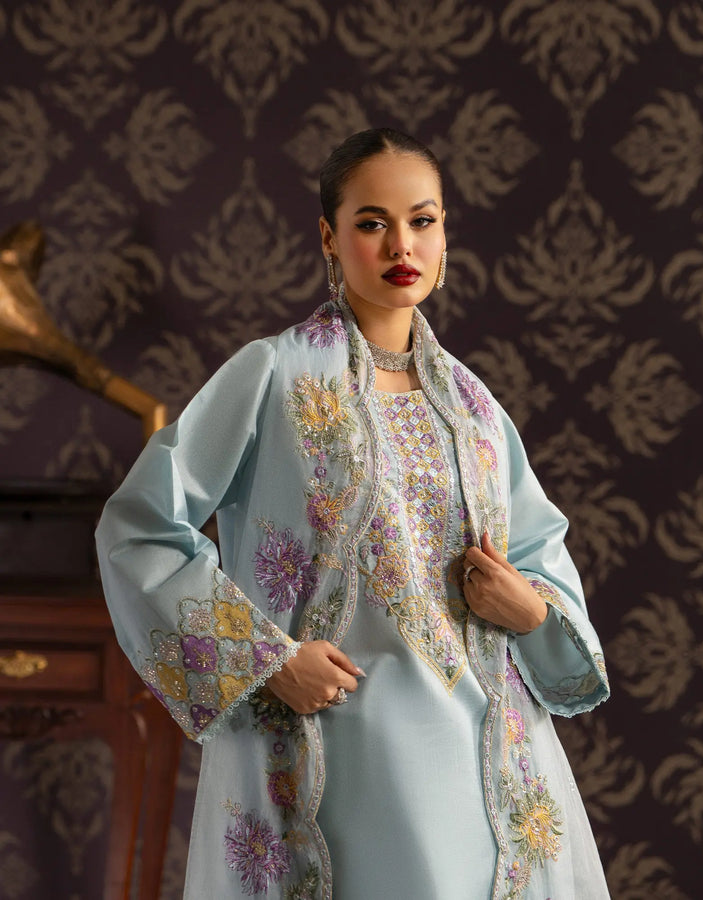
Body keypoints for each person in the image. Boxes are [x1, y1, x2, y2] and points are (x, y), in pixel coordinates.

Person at [96, 128, 611, 899]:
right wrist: (267, 659)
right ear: (329, 238)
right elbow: (139, 528)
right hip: (333, 749)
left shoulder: (474, 409)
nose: (401, 244)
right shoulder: (273, 375)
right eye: (373, 223)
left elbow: (539, 558)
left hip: (484, 761)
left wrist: (530, 611)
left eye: (422, 221)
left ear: (444, 235)